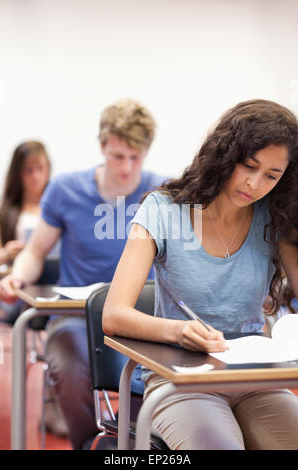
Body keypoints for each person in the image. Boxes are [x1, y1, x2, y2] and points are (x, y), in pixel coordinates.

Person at [102, 99, 298, 450]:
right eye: (248, 166)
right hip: (180, 379)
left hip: (257, 377)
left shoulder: (276, 216)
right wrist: (178, 331)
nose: (255, 184)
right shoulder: (162, 209)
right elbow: (114, 315)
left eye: (272, 175)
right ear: (225, 154)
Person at [0, 98, 166, 449]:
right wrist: (18, 276)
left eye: (136, 158)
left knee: (150, 379)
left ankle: (133, 442)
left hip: (142, 320)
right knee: (68, 361)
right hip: (76, 318)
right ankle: (90, 443)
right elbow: (36, 251)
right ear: (103, 146)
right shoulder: (67, 190)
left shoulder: (160, 192)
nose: (127, 167)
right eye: (118, 156)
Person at [0, 141, 51, 322]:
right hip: (19, 283)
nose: (35, 176)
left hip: (52, 281)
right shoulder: (6, 213)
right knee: (18, 306)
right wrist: (6, 254)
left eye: (40, 168)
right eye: (28, 170)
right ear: (18, 173)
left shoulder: (56, 209)